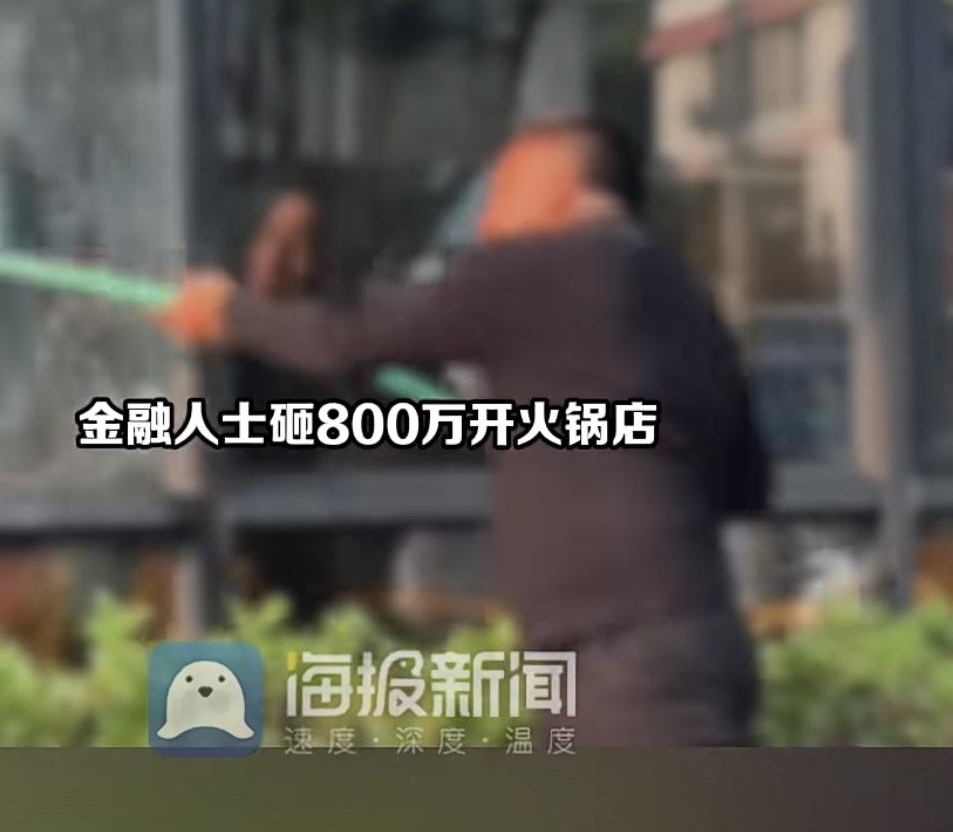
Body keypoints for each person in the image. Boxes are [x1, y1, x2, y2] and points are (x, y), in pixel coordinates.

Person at [161, 119, 769, 747]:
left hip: (616, 660)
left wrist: (230, 313)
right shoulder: (684, 295)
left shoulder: (536, 269)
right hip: (696, 640)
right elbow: (746, 483)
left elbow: (352, 337)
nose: (486, 225)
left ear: (563, 189)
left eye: (503, 193)